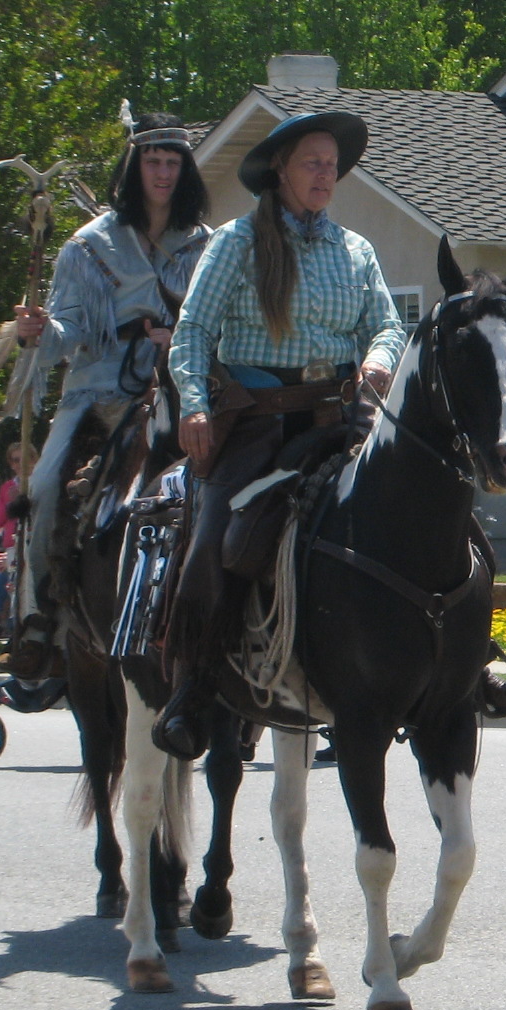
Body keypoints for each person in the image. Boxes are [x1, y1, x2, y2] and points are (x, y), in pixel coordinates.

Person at [153, 111, 404, 758]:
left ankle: (405, 665)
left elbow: (387, 323)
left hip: (336, 417)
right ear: (280, 171)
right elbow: (194, 332)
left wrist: (378, 357)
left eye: (332, 164)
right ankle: (196, 686)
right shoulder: (237, 243)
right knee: (221, 537)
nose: (326, 174)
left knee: (398, 512)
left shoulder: (357, 251)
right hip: (257, 418)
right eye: (312, 163)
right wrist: (195, 404)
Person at [5, 111, 212, 676]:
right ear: (134, 166)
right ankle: (38, 614)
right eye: (153, 161)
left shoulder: (205, 247)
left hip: (177, 394)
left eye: (173, 162)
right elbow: (66, 335)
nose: (163, 173)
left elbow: (219, 325)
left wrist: (184, 339)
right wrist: (38, 332)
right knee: (45, 485)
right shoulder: (88, 247)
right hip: (97, 397)